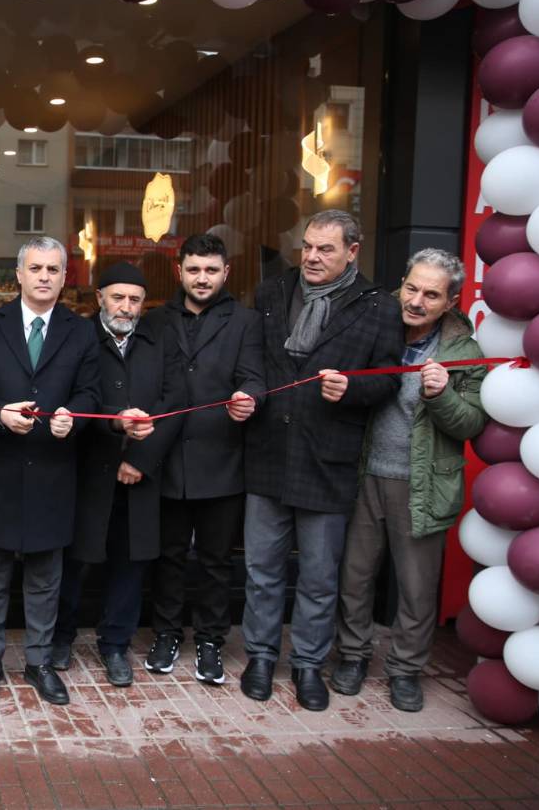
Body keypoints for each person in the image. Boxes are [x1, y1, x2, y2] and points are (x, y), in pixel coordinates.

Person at [241, 209, 403, 711]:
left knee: (317, 576)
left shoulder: (379, 306)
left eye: (325, 249)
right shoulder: (272, 292)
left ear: (352, 252)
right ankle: (261, 656)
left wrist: (353, 388)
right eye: (307, 246)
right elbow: (253, 364)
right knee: (262, 570)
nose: (311, 257)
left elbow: (389, 378)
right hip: (268, 453)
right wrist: (249, 394)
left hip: (327, 459)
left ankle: (308, 664)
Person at [332, 249, 486, 712]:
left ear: (451, 301)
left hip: (423, 483)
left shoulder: (464, 352)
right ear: (401, 283)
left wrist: (441, 395)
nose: (416, 301)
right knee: (355, 577)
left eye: (431, 295)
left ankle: (404, 670)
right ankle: (353, 656)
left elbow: (471, 424)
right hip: (363, 474)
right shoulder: (376, 327)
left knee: (416, 588)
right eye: (411, 288)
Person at [0, 236, 101, 705]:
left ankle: (39, 662)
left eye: (53, 270)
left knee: (46, 579)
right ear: (19, 275)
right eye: (36, 268)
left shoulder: (81, 332)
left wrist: (74, 417)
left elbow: (91, 392)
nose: (44, 277)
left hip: (52, 469)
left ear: (65, 278)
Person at [48, 262, 185, 687]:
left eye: (135, 300)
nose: (126, 307)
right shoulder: (77, 337)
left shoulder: (160, 341)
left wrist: (140, 460)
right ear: (99, 298)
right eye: (118, 297)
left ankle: (115, 645)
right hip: (86, 470)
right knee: (73, 560)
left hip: (139, 474)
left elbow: (175, 404)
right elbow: (72, 399)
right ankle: (60, 637)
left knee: (130, 563)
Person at [142, 233, 266, 685]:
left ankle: (211, 639)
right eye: (193, 269)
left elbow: (255, 378)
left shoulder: (246, 322)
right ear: (179, 271)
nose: (202, 278)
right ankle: (166, 633)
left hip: (222, 458)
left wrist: (249, 397)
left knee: (216, 560)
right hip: (167, 457)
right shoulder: (156, 320)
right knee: (168, 556)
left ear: (225, 272)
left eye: (211, 270)